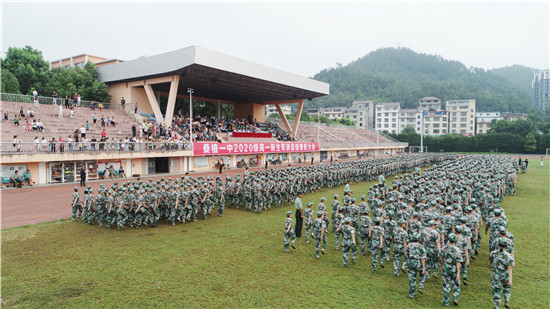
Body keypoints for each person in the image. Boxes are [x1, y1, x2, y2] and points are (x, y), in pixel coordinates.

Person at [439, 233, 463, 306]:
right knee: (456, 284)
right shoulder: (458, 250)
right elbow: (458, 262)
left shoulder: (444, 248)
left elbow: (442, 258)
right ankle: (455, 298)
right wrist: (458, 273)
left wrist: (442, 266)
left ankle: (446, 301)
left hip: (446, 266)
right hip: (454, 267)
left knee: (446, 284)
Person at [490, 238, 514, 309]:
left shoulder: (493, 253)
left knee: (497, 290)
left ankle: (497, 306)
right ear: (506, 246)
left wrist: (491, 264)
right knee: (507, 288)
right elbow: (510, 268)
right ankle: (506, 300)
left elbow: (491, 261)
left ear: (498, 245)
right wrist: (510, 279)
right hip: (505, 274)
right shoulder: (509, 256)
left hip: (496, 275)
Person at [407, 232, 427, 298]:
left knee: (412, 278)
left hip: (411, 262)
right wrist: (424, 267)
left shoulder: (409, 245)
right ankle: (420, 286)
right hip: (419, 263)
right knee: (423, 274)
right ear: (419, 239)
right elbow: (423, 258)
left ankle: (411, 293)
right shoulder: (421, 247)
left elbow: (407, 254)